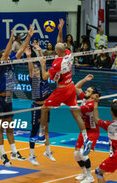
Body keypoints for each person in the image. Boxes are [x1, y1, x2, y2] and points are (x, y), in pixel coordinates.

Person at [34, 19, 93, 157]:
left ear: (56, 51)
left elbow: (44, 77)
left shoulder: (56, 63)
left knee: (43, 109)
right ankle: (86, 139)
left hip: (61, 90)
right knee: (76, 114)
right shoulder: (68, 54)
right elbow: (60, 44)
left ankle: (42, 133)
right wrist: (60, 30)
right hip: (71, 86)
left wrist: (42, 63)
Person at [0, 25, 34, 166]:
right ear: (1, 58)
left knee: (9, 127)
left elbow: (21, 49)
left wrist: (28, 36)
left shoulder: (11, 63)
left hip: (8, 99)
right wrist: (10, 39)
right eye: (6, 54)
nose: (9, 54)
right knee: (0, 128)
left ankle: (14, 152)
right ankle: (2, 154)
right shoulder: (0, 65)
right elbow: (6, 52)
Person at [25, 45, 55, 166]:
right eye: (35, 71)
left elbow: (43, 63)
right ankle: (31, 155)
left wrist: (39, 51)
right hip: (36, 107)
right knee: (35, 130)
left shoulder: (44, 78)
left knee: (45, 129)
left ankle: (48, 152)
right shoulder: (33, 80)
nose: (36, 72)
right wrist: (29, 56)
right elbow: (30, 68)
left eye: (38, 71)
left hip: (46, 107)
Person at [74, 74, 100, 183]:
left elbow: (77, 109)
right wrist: (84, 79)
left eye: (88, 91)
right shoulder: (85, 99)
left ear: (93, 95)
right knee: (76, 154)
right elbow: (76, 87)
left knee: (83, 153)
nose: (85, 92)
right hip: (84, 130)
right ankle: (84, 172)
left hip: (92, 131)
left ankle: (90, 177)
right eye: (86, 90)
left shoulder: (90, 104)